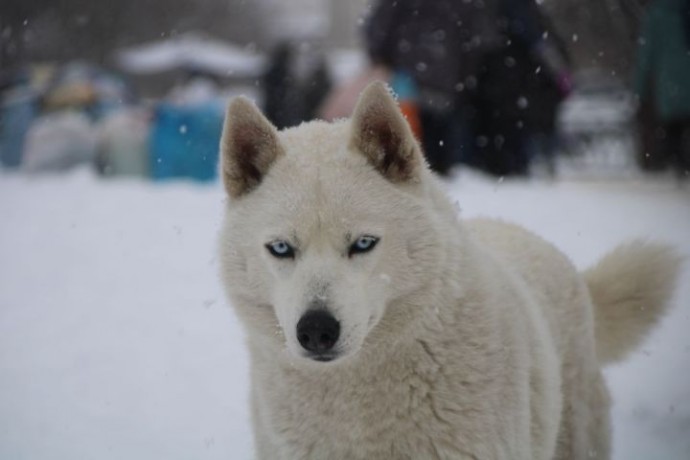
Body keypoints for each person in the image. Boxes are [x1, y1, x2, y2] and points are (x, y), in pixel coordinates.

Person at [364, 0, 501, 176]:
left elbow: (377, 29)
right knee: (439, 150)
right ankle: (439, 177)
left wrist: (382, 59)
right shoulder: (465, 5)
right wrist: (464, 76)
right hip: (446, 79)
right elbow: (476, 40)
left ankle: (411, 176)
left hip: (407, 76)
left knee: (405, 146)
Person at [633, 0, 690, 179]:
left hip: (671, 83)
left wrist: (639, 89)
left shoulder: (658, 14)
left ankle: (677, 167)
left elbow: (646, 56)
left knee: (673, 129)